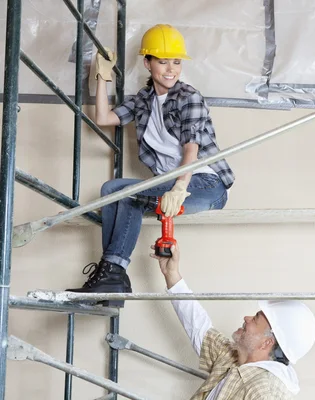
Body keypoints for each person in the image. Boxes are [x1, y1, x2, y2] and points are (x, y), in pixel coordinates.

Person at [67, 24, 234, 306]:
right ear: (147, 62)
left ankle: (113, 275)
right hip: (170, 184)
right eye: (162, 61)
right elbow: (105, 118)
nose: (171, 69)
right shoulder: (143, 100)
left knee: (129, 195)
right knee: (111, 188)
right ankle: (113, 277)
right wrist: (102, 76)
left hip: (205, 184)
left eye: (176, 62)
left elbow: (191, 146)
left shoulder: (188, 97)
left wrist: (180, 187)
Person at [152, 244, 315, 400]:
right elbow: (198, 326)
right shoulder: (235, 360)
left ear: (266, 342)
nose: (247, 318)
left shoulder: (264, 391)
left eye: (256, 318)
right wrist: (171, 273)